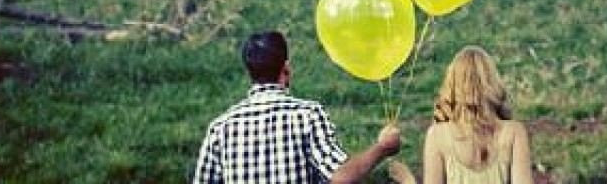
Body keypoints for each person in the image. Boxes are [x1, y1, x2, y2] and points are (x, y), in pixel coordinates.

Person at [192, 29, 402, 184]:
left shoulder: (221, 128)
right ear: (286, 68)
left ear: (250, 72)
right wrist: (383, 147)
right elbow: (340, 177)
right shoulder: (307, 116)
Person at [388, 47, 533, 184]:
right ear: (491, 82)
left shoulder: (438, 136)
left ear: (453, 84)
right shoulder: (514, 132)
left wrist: (408, 180)